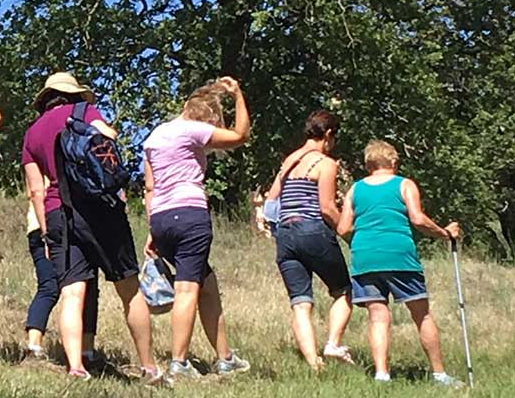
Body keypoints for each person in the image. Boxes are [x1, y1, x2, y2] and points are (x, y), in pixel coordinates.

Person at [20, 73, 158, 382]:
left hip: (58, 213)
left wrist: (45, 231)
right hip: (100, 209)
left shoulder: (31, 134)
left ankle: (76, 368)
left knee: (71, 292)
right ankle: (149, 367)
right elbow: (107, 137)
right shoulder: (84, 112)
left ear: (45, 100)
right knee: (129, 288)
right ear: (73, 94)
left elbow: (35, 191)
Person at [140, 77, 251, 379]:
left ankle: (225, 357)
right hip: (190, 214)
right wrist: (238, 95)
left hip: (162, 218)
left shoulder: (154, 136)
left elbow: (150, 187)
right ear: (207, 116)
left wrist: (153, 228)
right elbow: (240, 135)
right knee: (188, 288)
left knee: (207, 284)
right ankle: (179, 362)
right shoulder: (192, 128)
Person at [338, 140, 464, 387]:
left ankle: (382, 375)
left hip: (365, 257)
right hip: (399, 256)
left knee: (377, 316)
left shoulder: (355, 189)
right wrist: (444, 233)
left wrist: (364, 240)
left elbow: (343, 227)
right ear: (394, 162)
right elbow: (417, 218)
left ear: (368, 165)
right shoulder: (404, 184)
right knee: (421, 314)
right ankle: (439, 374)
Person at [263, 110, 356, 370]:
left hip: (285, 236)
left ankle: (314, 364)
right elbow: (326, 207)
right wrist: (347, 233)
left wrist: (277, 231)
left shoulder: (289, 162)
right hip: (313, 230)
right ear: (328, 135)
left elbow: (271, 202)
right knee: (344, 291)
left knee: (301, 303)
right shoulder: (325, 163)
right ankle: (333, 344)